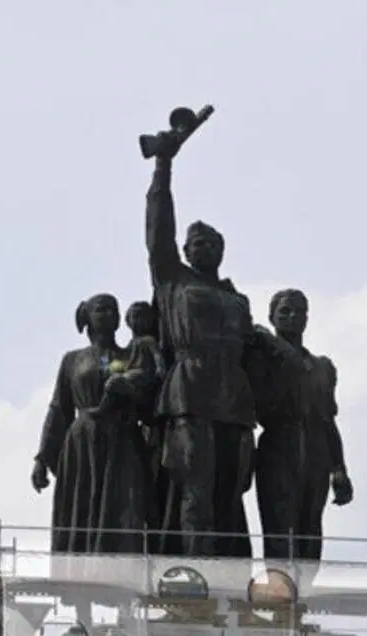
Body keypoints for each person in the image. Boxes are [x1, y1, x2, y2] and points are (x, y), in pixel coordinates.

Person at [142, 122, 256, 557]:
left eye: (211, 242)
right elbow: (157, 230)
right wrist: (163, 165)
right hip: (189, 390)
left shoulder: (236, 298)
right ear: (186, 251)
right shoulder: (173, 280)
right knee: (196, 486)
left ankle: (229, 575)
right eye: (196, 242)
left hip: (234, 396)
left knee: (231, 491)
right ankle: (193, 576)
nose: (204, 247)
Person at [32, 293, 157, 554]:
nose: (109, 314)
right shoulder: (72, 360)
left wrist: (130, 390)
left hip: (122, 440)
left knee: (126, 506)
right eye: (101, 309)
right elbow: (59, 408)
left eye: (113, 309)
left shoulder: (132, 354)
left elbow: (150, 402)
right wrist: (43, 458)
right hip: (83, 443)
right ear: (87, 317)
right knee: (82, 507)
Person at [247, 289, 353, 563]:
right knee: (280, 530)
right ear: (272, 317)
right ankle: (281, 596)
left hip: (317, 453)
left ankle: (303, 598)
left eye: (300, 312)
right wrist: (277, 349)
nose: (293, 317)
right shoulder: (263, 358)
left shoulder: (322, 367)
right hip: (279, 448)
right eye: (285, 312)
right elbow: (261, 406)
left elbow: (329, 420)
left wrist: (339, 469)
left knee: (311, 532)